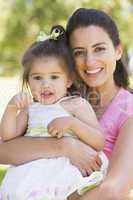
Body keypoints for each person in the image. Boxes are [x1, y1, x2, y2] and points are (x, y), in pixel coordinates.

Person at [0, 7, 133, 200]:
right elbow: (4, 150)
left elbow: (112, 190)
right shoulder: (55, 97)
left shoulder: (128, 110)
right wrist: (64, 146)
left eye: (99, 49)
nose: (90, 61)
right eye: (79, 52)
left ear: (118, 50)